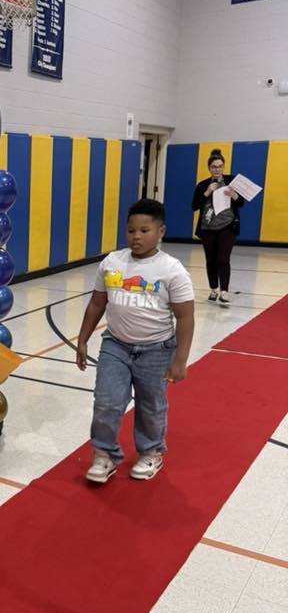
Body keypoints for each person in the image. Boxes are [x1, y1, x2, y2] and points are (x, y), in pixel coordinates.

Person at [76, 199, 195, 484]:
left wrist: (180, 360)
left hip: (157, 349)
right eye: (131, 230)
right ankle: (104, 455)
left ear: (161, 231)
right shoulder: (112, 262)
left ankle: (151, 452)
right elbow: (96, 305)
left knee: (151, 405)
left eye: (144, 230)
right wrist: (82, 340)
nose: (136, 237)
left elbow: (186, 317)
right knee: (106, 402)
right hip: (115, 345)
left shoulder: (172, 269)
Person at [191, 148, 244, 306]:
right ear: (209, 168)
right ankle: (214, 288)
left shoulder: (231, 181)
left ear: (223, 167)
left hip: (227, 226)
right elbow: (194, 206)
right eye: (214, 166)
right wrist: (207, 192)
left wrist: (235, 196)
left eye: (220, 166)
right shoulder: (202, 185)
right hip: (207, 228)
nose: (217, 169)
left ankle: (224, 291)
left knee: (223, 259)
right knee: (211, 260)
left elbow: (241, 203)